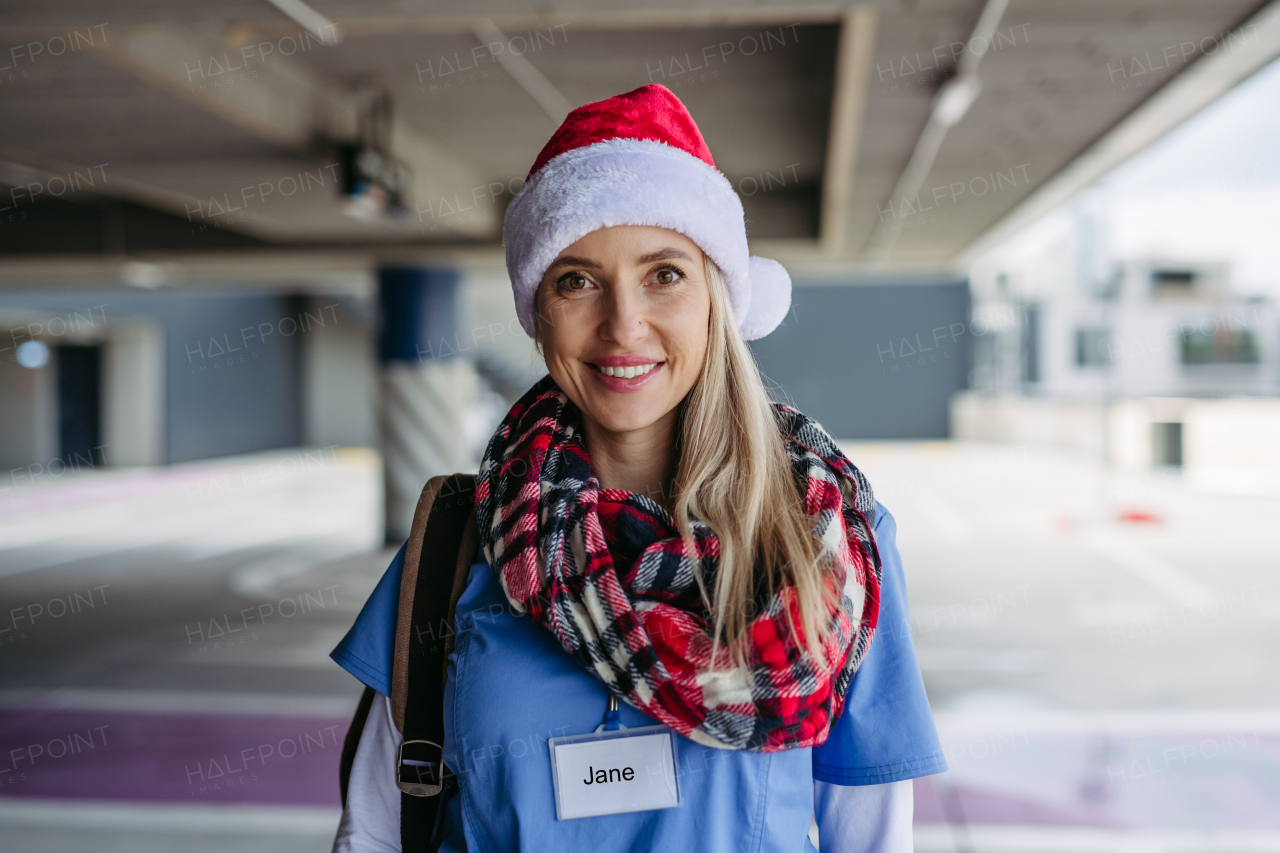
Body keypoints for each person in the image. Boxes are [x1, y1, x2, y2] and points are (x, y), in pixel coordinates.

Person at [331, 84, 945, 852]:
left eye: (665, 274)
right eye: (577, 280)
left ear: (717, 298)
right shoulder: (462, 542)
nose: (623, 324)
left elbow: (874, 838)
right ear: (538, 310)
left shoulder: (827, 544)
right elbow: (375, 829)